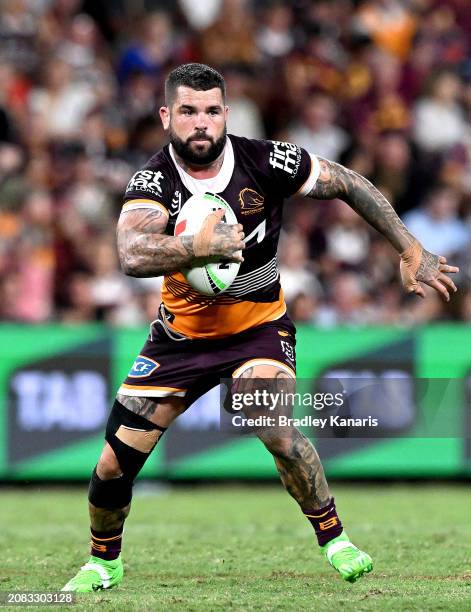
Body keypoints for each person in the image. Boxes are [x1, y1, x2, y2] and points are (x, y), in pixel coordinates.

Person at [62, 63, 459, 592]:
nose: (200, 123)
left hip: (259, 330)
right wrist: (199, 246)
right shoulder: (153, 180)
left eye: (210, 111)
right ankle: (103, 562)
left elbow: (348, 182)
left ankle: (335, 538)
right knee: (112, 466)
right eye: (187, 112)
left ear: (225, 114)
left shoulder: (266, 160)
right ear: (166, 117)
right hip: (179, 339)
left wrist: (409, 247)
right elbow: (131, 253)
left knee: (270, 421)